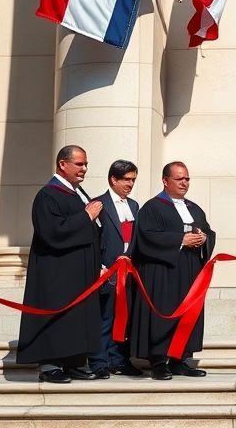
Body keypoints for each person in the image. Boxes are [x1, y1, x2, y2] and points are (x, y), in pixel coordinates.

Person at [16, 145, 106, 383]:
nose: (84, 169)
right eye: (79, 164)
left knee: (77, 316)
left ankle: (74, 362)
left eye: (85, 164)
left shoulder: (78, 193)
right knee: (56, 315)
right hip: (57, 271)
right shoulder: (48, 195)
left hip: (81, 272)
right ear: (62, 164)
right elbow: (52, 232)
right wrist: (86, 216)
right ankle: (50, 364)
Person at [130, 161, 216, 380]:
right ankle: (159, 361)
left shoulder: (194, 208)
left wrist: (203, 238)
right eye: (179, 179)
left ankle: (180, 360)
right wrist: (180, 240)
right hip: (162, 272)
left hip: (189, 272)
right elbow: (147, 237)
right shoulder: (152, 207)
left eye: (187, 178)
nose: (184, 183)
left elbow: (208, 231)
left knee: (188, 314)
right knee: (162, 314)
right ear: (165, 180)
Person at [87, 160, 143, 377]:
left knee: (124, 317)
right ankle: (99, 361)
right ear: (113, 179)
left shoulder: (135, 206)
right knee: (105, 317)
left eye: (133, 180)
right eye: (127, 179)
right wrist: (99, 266)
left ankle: (119, 359)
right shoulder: (98, 204)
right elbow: (92, 238)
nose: (130, 184)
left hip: (128, 272)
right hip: (106, 272)